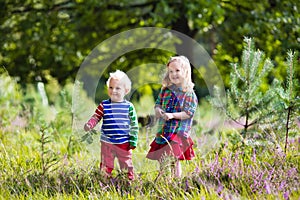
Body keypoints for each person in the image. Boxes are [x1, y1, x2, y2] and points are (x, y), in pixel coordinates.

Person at [146, 55, 198, 178]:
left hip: (178, 132)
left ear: (185, 72)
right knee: (162, 157)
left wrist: (172, 115)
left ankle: (176, 181)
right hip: (164, 130)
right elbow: (158, 104)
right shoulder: (165, 90)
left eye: (177, 71)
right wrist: (158, 110)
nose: (174, 74)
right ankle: (164, 179)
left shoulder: (188, 93)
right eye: (171, 71)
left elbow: (188, 113)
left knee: (174, 158)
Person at [84, 70, 139, 180]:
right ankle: (104, 184)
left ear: (126, 90)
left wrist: (133, 140)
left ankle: (128, 183)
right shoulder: (104, 105)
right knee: (105, 166)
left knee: (126, 165)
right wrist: (90, 124)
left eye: (118, 88)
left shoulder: (129, 107)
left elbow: (134, 125)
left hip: (124, 142)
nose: (113, 91)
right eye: (111, 87)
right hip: (107, 142)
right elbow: (96, 117)